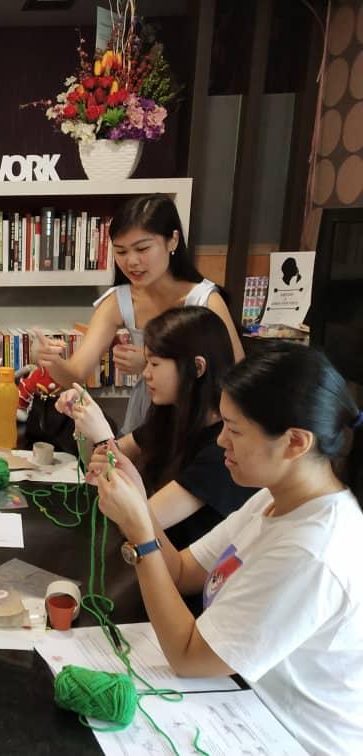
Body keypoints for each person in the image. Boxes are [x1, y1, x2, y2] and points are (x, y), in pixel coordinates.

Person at [94, 342, 363, 754]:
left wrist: (140, 531)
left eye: (235, 430)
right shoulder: (274, 498)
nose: (221, 441)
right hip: (240, 702)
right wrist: (137, 498)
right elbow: (182, 571)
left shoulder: (313, 551)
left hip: (289, 738)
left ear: (295, 442)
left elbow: (188, 657)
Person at [34, 194, 244, 434]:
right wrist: (52, 361)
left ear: (173, 241)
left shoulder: (205, 299)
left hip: (197, 422)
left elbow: (236, 376)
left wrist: (147, 361)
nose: (131, 261)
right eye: (121, 251)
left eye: (142, 248)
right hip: (145, 418)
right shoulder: (119, 299)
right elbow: (76, 373)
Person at [56, 306, 256, 548]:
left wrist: (102, 435)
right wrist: (83, 423)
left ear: (197, 367)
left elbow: (138, 524)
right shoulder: (171, 416)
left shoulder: (221, 451)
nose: (146, 374)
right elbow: (97, 464)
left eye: (155, 364)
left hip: (174, 565)